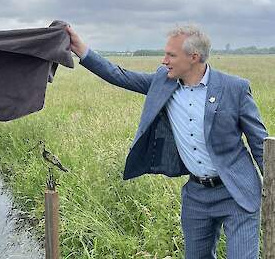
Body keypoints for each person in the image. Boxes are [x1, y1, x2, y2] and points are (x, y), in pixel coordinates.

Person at [67, 25, 268, 258]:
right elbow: (119, 75)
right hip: (196, 196)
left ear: (194, 57)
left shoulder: (235, 88)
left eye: (171, 55)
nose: (164, 60)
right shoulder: (163, 82)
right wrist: (80, 48)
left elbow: (261, 144)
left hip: (237, 192)